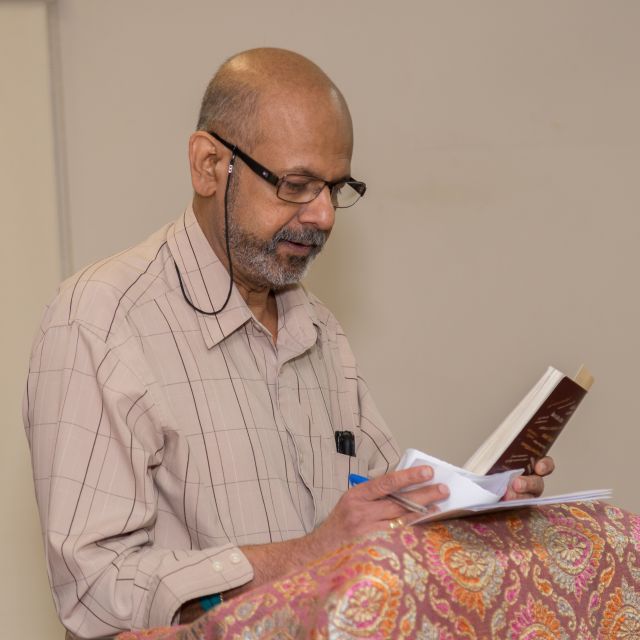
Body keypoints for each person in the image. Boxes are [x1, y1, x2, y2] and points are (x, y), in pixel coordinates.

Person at [24, 48, 553, 639]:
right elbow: (94, 589)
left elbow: (379, 520)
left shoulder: (319, 329)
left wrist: (476, 505)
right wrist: (310, 554)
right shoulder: (101, 319)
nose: (324, 215)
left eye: (335, 188)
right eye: (296, 185)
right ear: (208, 164)